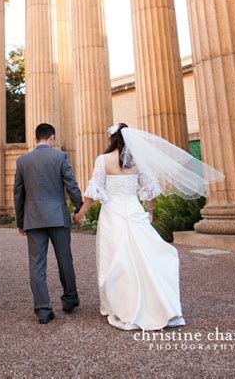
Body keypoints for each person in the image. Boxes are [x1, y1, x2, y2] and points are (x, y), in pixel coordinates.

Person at [74, 122, 225, 331]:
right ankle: (155, 303)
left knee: (115, 258)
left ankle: (120, 305)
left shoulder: (103, 160)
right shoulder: (137, 162)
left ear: (111, 138)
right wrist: (149, 214)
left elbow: (93, 191)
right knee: (143, 256)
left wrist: (81, 213)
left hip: (113, 215)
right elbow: (148, 191)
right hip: (134, 212)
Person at [14, 123, 83, 324]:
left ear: (35, 139)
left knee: (37, 265)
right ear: (52, 138)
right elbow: (71, 184)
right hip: (58, 218)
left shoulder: (23, 161)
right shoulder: (59, 157)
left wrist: (20, 221)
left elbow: (18, 194)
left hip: (33, 219)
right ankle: (70, 300)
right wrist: (78, 207)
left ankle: (43, 310)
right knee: (64, 260)